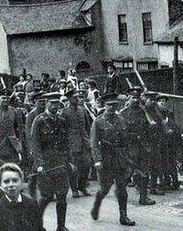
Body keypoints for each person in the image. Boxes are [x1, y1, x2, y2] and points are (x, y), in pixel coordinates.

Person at [90, 93, 135, 226]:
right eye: (109, 105)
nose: (111, 107)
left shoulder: (121, 120)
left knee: (122, 188)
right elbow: (93, 143)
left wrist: (128, 157)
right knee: (105, 188)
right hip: (106, 158)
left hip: (120, 158)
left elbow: (126, 141)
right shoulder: (98, 122)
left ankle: (123, 216)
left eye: (114, 105)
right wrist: (97, 160)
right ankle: (97, 204)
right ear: (104, 106)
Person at [31, 92, 70, 231]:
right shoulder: (39, 120)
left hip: (60, 164)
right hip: (46, 165)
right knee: (46, 196)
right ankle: (37, 225)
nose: (55, 106)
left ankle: (61, 226)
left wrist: (68, 161)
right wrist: (40, 164)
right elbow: (35, 144)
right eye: (52, 103)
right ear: (47, 103)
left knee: (62, 196)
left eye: (57, 103)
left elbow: (66, 143)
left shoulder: (62, 120)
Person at [120, 87, 158, 205]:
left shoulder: (143, 112)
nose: (135, 100)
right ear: (129, 98)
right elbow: (121, 133)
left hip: (143, 146)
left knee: (144, 172)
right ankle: (121, 196)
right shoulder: (123, 114)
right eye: (133, 98)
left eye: (137, 98)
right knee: (127, 173)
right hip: (129, 147)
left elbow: (150, 127)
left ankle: (143, 197)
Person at [0, 163, 43, 231]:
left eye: (15, 180)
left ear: (21, 181)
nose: (11, 185)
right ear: (0, 185)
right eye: (6, 181)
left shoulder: (32, 205)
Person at [60, 90, 92, 199]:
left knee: (87, 165)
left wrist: (88, 139)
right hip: (72, 144)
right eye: (74, 97)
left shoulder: (83, 110)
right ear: (69, 99)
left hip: (84, 142)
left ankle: (82, 186)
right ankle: (74, 189)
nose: (76, 99)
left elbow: (88, 126)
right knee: (74, 168)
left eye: (77, 97)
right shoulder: (64, 112)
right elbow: (62, 130)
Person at [0, 89, 23, 164]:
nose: (5, 100)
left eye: (7, 98)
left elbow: (18, 130)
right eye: (3, 98)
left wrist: (19, 145)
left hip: (12, 146)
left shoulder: (14, 111)